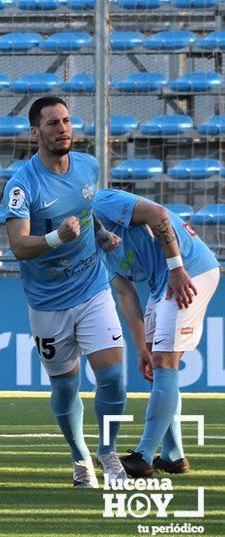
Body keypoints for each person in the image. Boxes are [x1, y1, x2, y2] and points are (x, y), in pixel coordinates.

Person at [3, 96, 127, 488]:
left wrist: (104, 235)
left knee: (113, 379)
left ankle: (109, 454)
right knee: (65, 385)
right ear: (35, 132)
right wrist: (57, 237)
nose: (63, 129)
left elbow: (92, 216)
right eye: (53, 123)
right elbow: (19, 246)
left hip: (93, 289)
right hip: (48, 304)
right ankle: (80, 459)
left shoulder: (89, 166)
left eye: (67, 121)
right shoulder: (23, 185)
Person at [92, 189, 220, 478]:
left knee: (165, 362)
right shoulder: (88, 243)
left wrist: (176, 267)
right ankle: (173, 455)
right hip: (160, 283)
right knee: (154, 362)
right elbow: (125, 293)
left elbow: (158, 214)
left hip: (189, 270)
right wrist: (140, 348)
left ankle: (144, 456)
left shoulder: (103, 202)